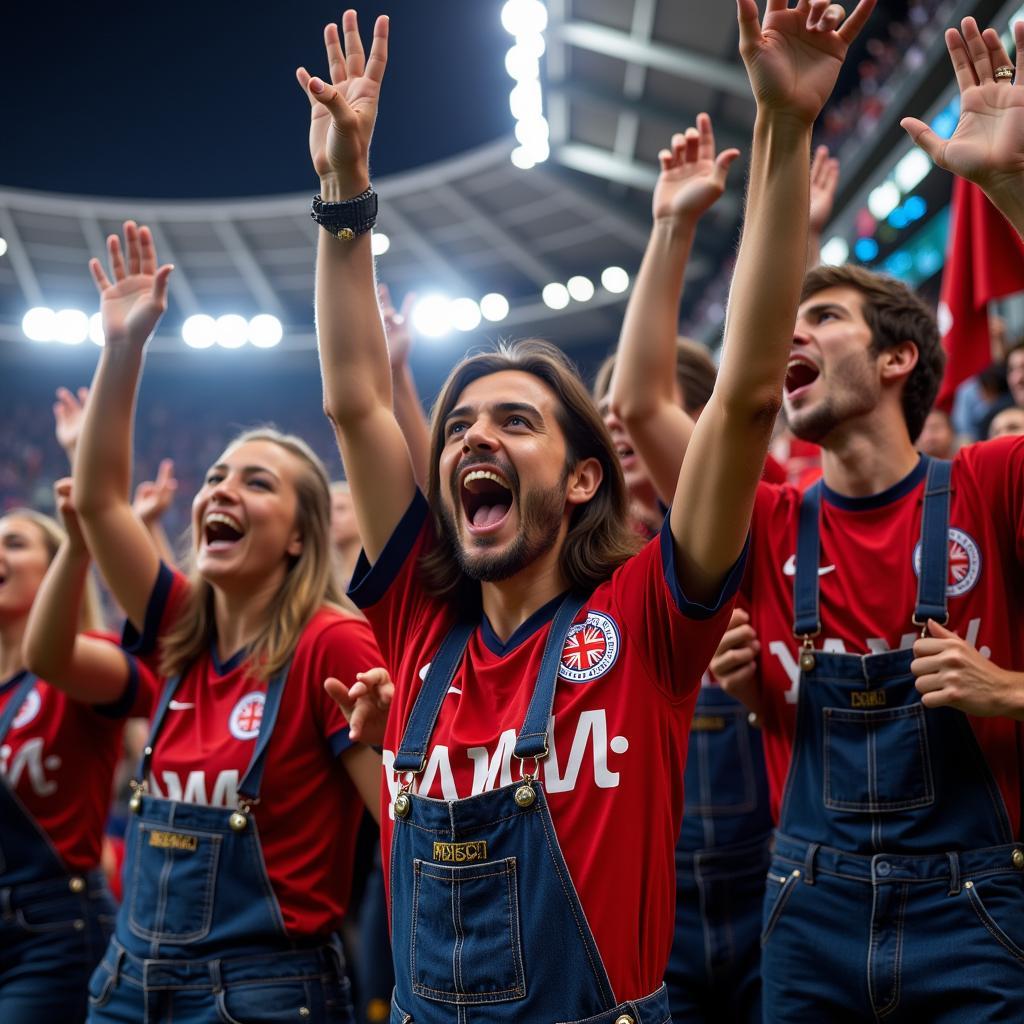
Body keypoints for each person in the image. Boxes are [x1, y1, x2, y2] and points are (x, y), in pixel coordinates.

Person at [297, 2, 872, 1020]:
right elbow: (351, 397)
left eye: (515, 421)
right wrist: (344, 192)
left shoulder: (649, 616)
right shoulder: (417, 628)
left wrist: (783, 124)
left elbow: (741, 394)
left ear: (581, 479)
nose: (473, 437)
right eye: (460, 423)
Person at [707, 17, 1024, 1020]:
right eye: (786, 322)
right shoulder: (764, 521)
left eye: (826, 315)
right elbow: (677, 402)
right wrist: (779, 123)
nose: (794, 331)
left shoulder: (989, 480)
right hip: (808, 916)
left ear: (898, 359)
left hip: (977, 913)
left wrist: (1010, 690)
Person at [70, 221, 385, 1023]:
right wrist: (124, 347)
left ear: (301, 535)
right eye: (216, 477)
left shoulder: (332, 642)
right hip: (125, 983)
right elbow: (103, 500)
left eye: (257, 483)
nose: (221, 491)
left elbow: (400, 824)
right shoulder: (183, 624)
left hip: (262, 998)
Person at [599, 111, 773, 1023]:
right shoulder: (569, 581)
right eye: (608, 423)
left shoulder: (750, 531)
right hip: (640, 904)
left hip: (768, 884)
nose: (621, 426)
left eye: (650, 417)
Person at [2, 482, 135, 1023]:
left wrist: (83, 544)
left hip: (53, 934)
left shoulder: (85, 667)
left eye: (14, 544)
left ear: (58, 570)